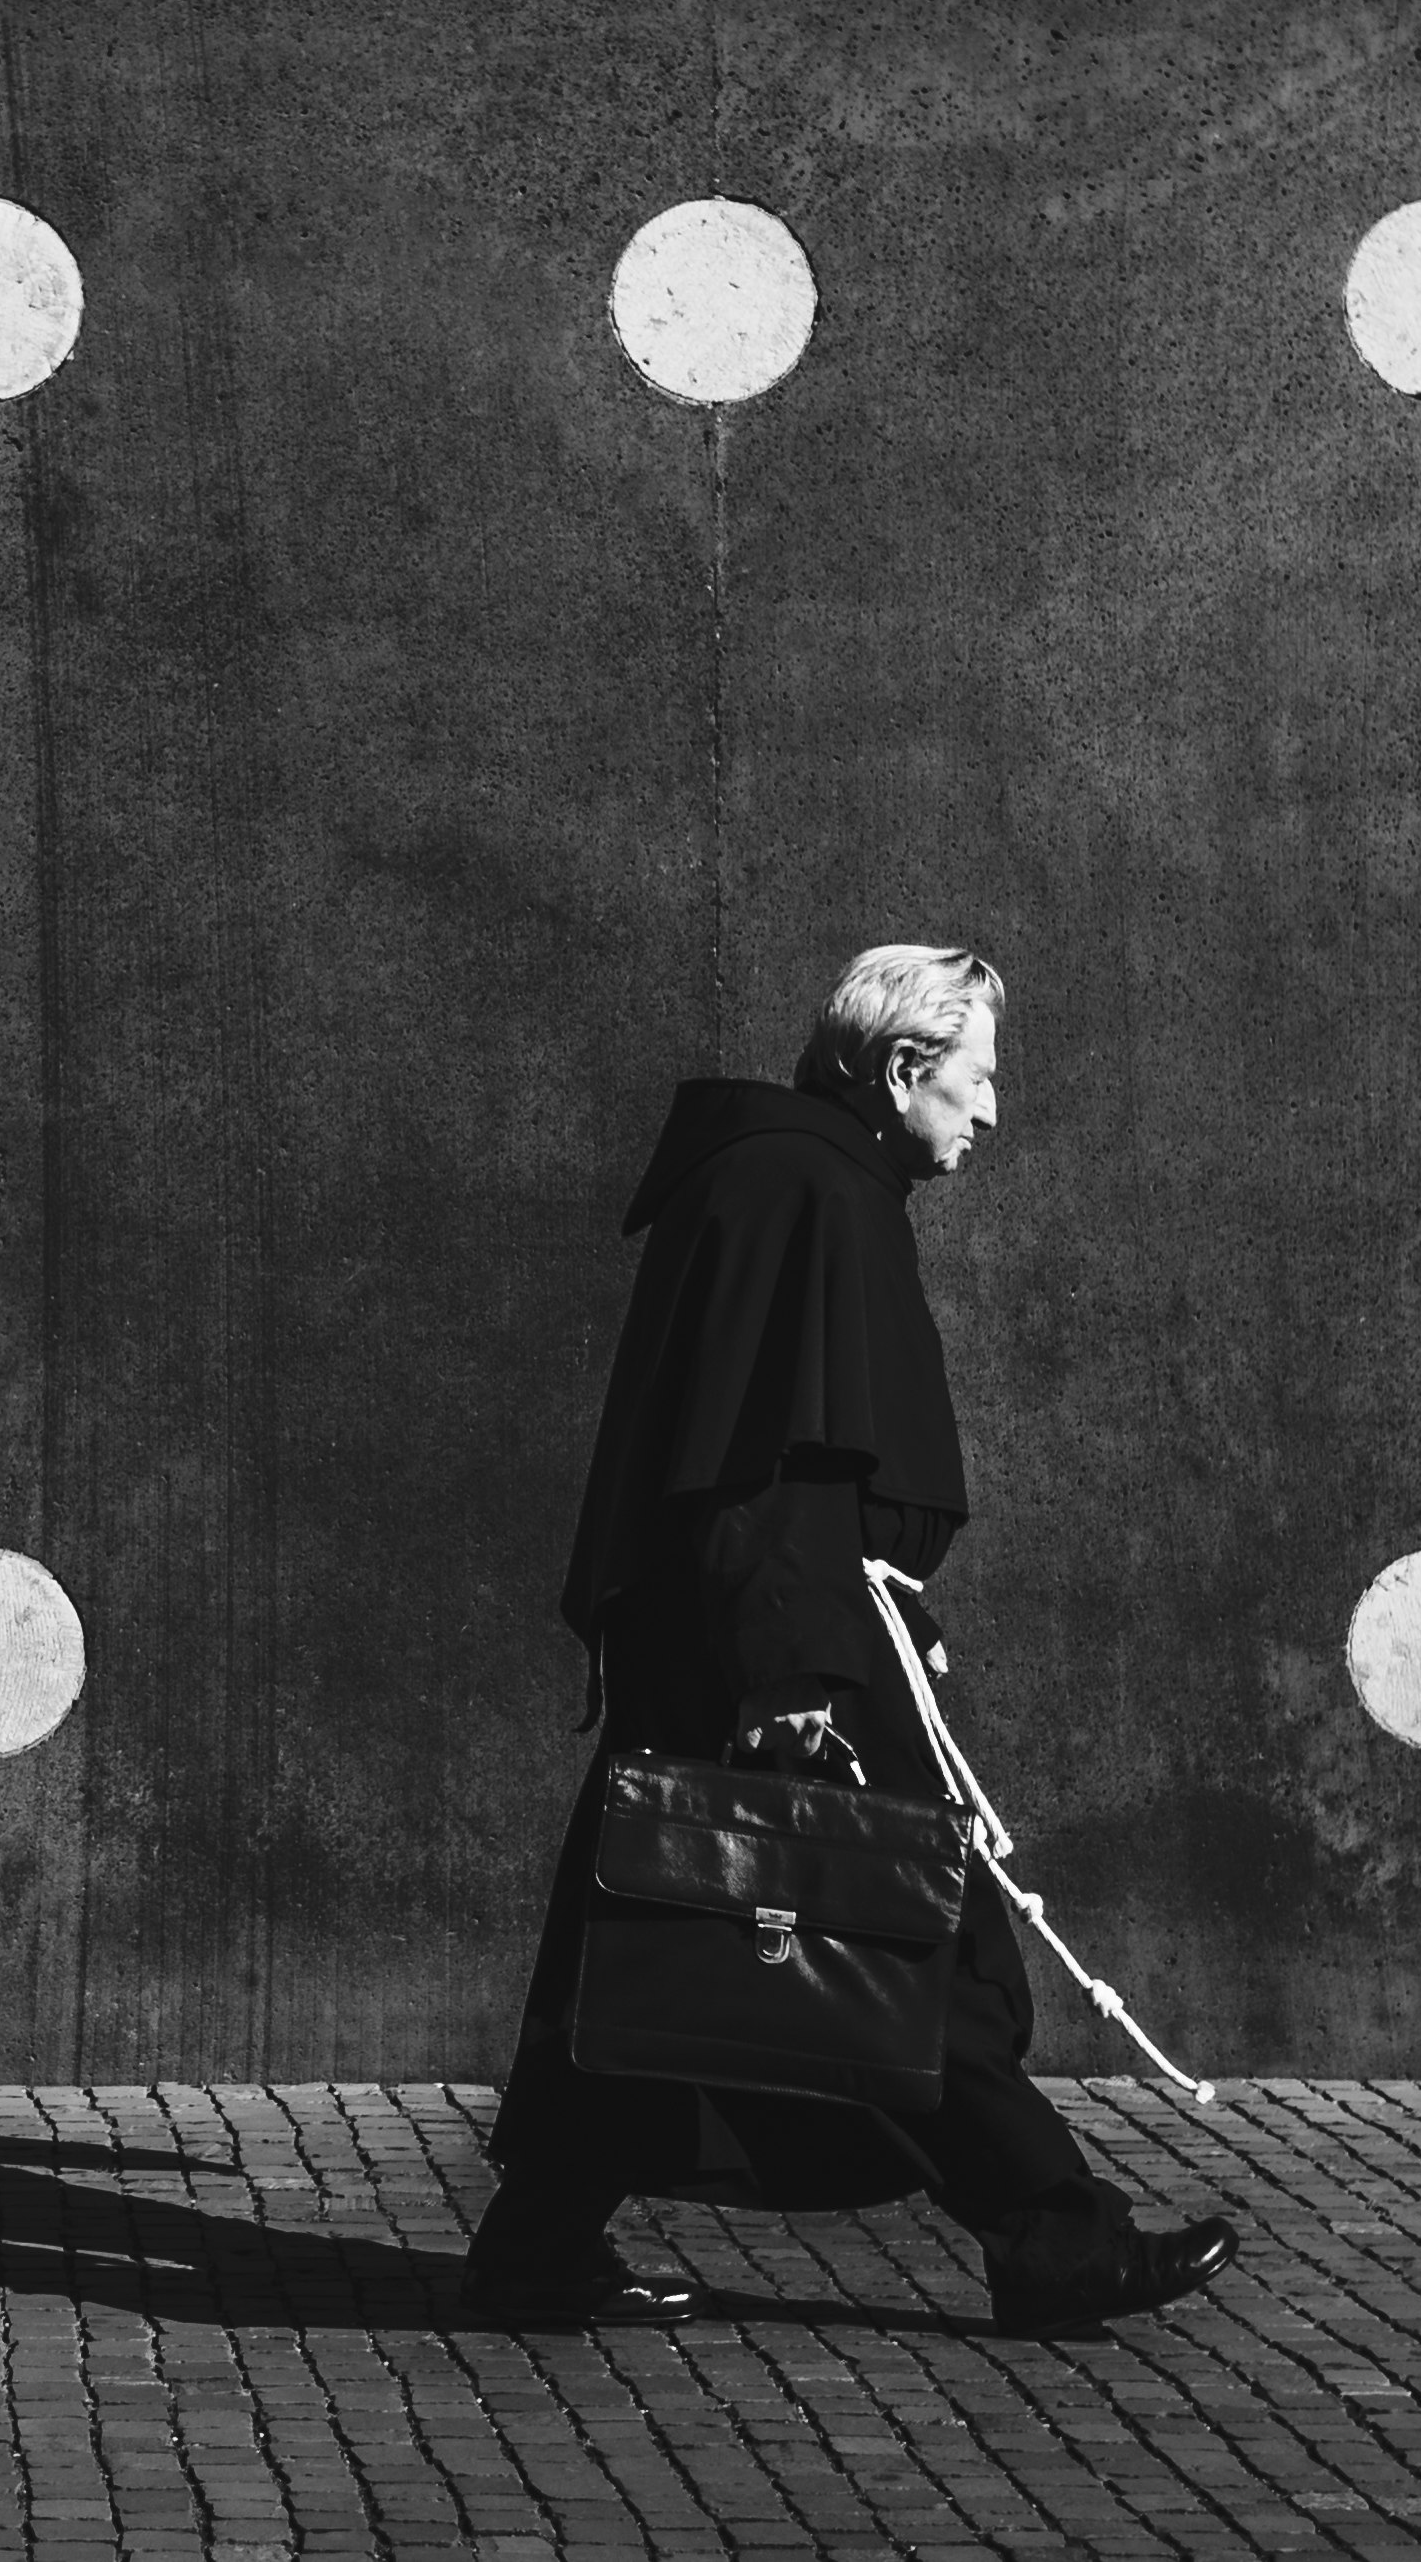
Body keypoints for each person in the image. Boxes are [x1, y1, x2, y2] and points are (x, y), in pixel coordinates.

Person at [464, 942, 1240, 2336]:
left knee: (659, 1918)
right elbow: (776, 1463)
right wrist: (797, 1675)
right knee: (908, 1938)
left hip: (756, 1626)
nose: (990, 1112)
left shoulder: (781, 1182)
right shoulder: (814, 1192)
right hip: (789, 1635)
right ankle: (1053, 2239)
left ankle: (535, 2241)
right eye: (976, 1078)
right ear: (900, 1068)